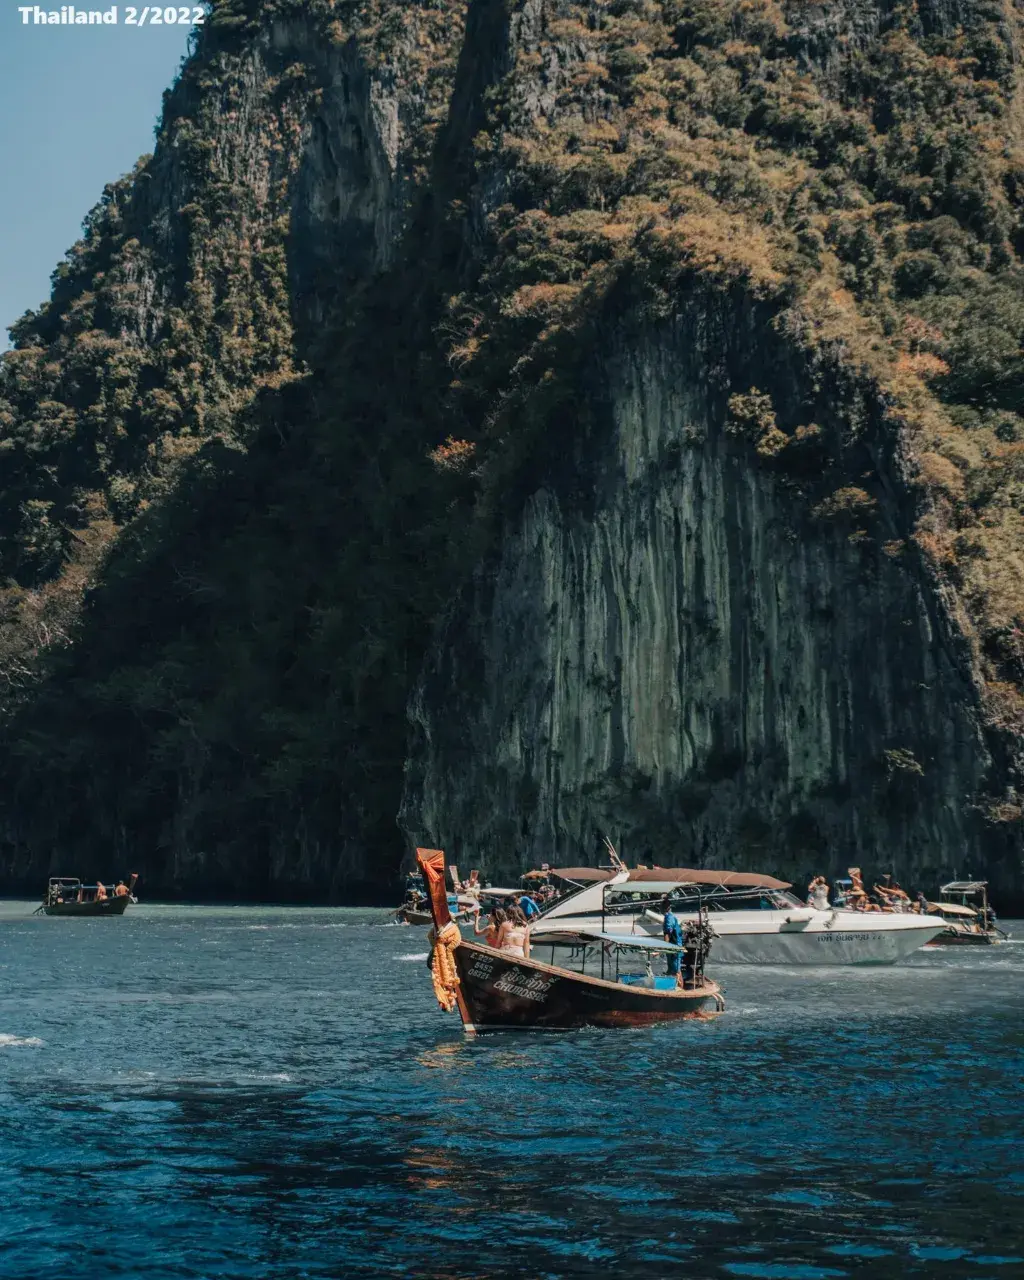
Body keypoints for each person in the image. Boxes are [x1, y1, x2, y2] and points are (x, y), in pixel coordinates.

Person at [661, 897, 683, 982]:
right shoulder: (670, 917)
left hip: (674, 947)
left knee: (677, 971)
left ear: (665, 907)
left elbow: (668, 933)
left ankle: (681, 989)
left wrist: (664, 947)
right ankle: (670, 985)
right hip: (672, 946)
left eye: (661, 907)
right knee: (670, 970)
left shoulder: (669, 917)